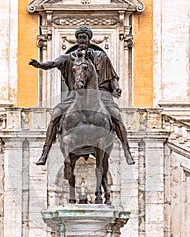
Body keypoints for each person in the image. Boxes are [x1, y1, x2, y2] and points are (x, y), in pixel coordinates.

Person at [29, 26, 135, 165]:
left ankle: (126, 150)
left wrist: (116, 88)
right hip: (76, 95)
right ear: (76, 39)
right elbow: (54, 63)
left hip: (101, 95)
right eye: (79, 37)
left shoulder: (101, 56)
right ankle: (45, 152)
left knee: (116, 115)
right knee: (55, 114)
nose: (81, 40)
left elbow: (111, 77)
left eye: (84, 37)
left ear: (89, 39)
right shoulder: (69, 58)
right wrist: (42, 65)